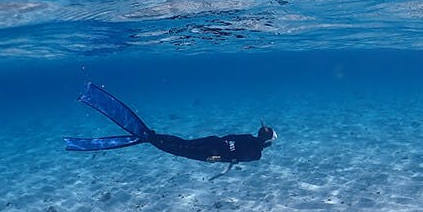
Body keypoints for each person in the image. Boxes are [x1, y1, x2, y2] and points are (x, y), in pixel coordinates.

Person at [64, 83, 276, 179]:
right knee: (178, 149)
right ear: (267, 142)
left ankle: (152, 136)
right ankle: (149, 137)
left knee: (182, 143)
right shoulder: (256, 154)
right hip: (213, 153)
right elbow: (238, 157)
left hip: (214, 142)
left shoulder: (250, 138)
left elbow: (235, 142)